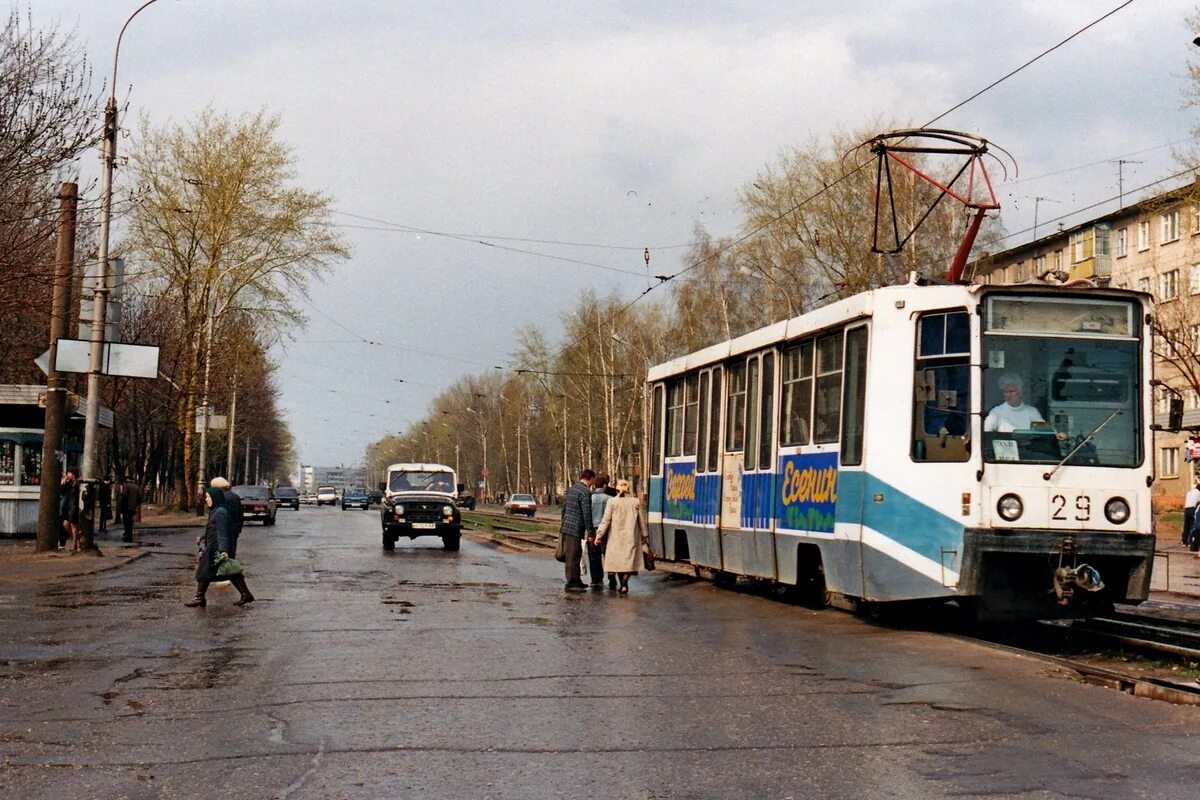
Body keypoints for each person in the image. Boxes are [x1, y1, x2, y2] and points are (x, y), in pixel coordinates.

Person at [185, 487, 254, 607]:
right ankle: (246, 594)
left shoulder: (220, 512)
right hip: (214, 545)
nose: (206, 499)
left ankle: (199, 597)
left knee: (204, 572)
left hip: (216, 547)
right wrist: (203, 537)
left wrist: (224, 551)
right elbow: (214, 528)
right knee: (230, 572)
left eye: (208, 497)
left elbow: (223, 532)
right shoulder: (216, 510)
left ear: (215, 498)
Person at [594, 479, 650, 595]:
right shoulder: (635, 502)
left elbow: (606, 520)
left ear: (617, 488)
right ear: (628, 488)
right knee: (628, 561)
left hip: (615, 537)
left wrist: (599, 535)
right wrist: (644, 535)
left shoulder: (612, 502)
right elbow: (641, 520)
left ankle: (622, 584)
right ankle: (624, 582)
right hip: (631, 536)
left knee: (619, 562)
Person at [559, 468, 595, 592]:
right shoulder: (585, 492)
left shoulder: (572, 489)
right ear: (590, 479)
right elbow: (587, 513)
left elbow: (564, 508)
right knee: (573, 555)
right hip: (576, 526)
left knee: (573, 553)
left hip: (567, 525)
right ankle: (572, 582)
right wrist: (590, 531)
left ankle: (576, 580)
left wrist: (563, 522)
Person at [589, 473, 617, 591]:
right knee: (609, 554)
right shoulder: (610, 499)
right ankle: (611, 577)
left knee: (594, 556)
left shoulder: (589, 498)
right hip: (607, 530)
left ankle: (596, 580)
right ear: (605, 485)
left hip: (593, 529)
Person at [211, 477, 244, 557]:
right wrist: (237, 530)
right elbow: (240, 515)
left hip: (219, 533)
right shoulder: (235, 497)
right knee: (231, 556)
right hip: (233, 531)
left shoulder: (217, 498)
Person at [118, 475, 141, 543]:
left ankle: (127, 533)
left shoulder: (126, 486)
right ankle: (129, 532)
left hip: (126, 507)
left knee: (126, 520)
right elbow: (139, 497)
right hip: (133, 507)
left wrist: (122, 507)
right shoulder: (136, 487)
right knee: (130, 520)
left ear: (127, 480)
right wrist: (136, 505)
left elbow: (124, 496)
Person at [58, 468, 78, 550]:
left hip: (73, 506)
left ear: (73, 475)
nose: (67, 474)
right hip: (67, 507)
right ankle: (74, 538)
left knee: (73, 525)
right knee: (65, 524)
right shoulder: (68, 483)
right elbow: (62, 492)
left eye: (69, 473)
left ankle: (75, 544)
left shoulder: (77, 483)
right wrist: (63, 483)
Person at [1185, 480, 1200, 547]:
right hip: (1193, 509)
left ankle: (1184, 541)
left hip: (1186, 508)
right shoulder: (1198, 493)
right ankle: (1191, 540)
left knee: (1186, 525)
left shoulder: (1189, 492)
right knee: (1192, 525)